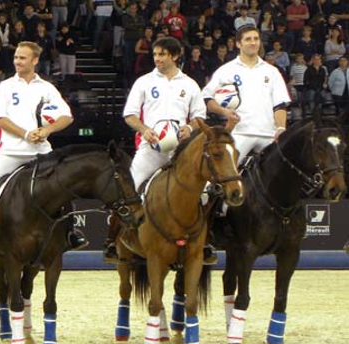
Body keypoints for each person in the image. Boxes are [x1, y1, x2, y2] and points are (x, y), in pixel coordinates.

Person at [0, 41, 85, 251]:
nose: (17, 61)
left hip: (41, 151)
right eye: (16, 57)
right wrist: (26, 134)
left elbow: (67, 116)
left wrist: (47, 131)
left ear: (35, 60)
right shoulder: (5, 86)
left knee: (63, 188)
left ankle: (71, 234)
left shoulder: (47, 88)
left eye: (22, 58)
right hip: (10, 151)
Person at [103, 36, 208, 264]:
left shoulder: (189, 84)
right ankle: (112, 241)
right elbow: (129, 114)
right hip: (150, 148)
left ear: (175, 56)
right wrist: (144, 129)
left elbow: (200, 116)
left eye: (162, 54)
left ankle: (205, 243)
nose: (157, 59)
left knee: (205, 191)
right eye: (155, 55)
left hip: (180, 152)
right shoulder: (144, 82)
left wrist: (189, 128)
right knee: (125, 189)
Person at [203, 25, 291, 167]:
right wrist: (224, 111)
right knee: (220, 175)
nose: (253, 42)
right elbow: (206, 99)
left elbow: (280, 105)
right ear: (238, 44)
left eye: (256, 39)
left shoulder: (272, 71)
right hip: (239, 133)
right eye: (248, 39)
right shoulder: (226, 70)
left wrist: (281, 127)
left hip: (268, 134)